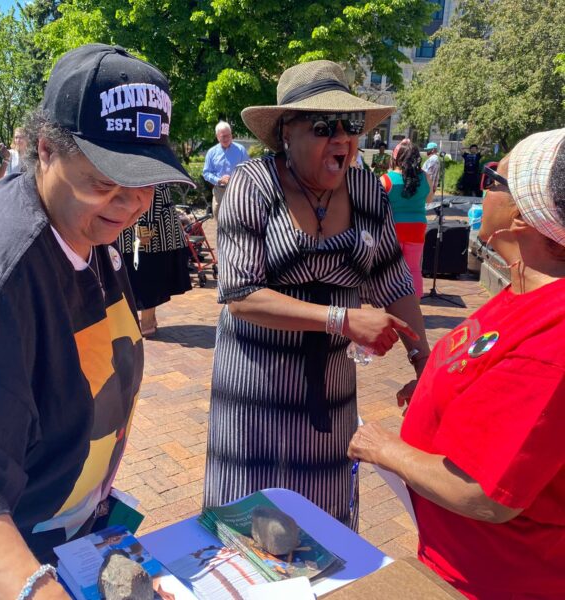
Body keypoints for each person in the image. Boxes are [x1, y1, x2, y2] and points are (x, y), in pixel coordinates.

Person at [0, 44, 193, 600]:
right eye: (104, 178)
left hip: (73, 538)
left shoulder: (87, 230)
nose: (130, 201)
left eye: (146, 180)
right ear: (44, 150)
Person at [204, 60, 431, 530]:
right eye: (325, 127)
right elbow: (241, 293)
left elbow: (394, 284)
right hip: (255, 387)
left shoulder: (367, 191)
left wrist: (423, 364)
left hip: (330, 387)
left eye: (350, 125)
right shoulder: (254, 184)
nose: (342, 139)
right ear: (287, 131)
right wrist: (343, 319)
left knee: (323, 527)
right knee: (250, 525)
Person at [348, 128, 565, 599]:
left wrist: (384, 450)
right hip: (453, 560)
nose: (483, 190)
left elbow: (484, 493)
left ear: (526, 215)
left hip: (494, 580)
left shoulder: (555, 336)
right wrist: (436, 393)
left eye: (494, 179)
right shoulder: (523, 292)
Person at [117, 183, 192, 337]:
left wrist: (146, 225)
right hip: (146, 233)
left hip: (150, 232)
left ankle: (147, 321)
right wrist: (145, 225)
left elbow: (151, 194)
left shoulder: (147, 166)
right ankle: (147, 321)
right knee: (147, 276)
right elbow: (149, 195)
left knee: (147, 276)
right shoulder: (147, 165)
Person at [380, 140, 433, 298]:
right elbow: (429, 199)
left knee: (391, 268)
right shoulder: (425, 177)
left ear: (396, 158)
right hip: (417, 227)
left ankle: (392, 303)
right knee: (414, 267)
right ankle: (414, 303)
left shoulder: (386, 179)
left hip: (392, 228)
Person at [202, 121, 249, 219]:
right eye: (223, 136)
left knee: (238, 221)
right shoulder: (211, 153)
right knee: (220, 222)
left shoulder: (241, 150)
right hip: (220, 192)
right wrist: (219, 180)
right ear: (217, 136)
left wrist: (236, 178)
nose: (227, 138)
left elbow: (248, 170)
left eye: (229, 135)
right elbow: (206, 173)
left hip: (238, 192)